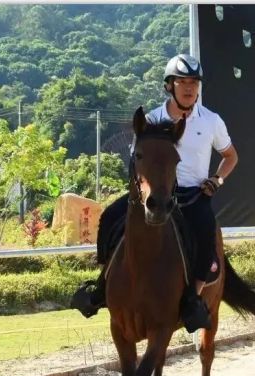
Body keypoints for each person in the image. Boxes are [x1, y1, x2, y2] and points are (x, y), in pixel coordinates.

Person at [70, 54, 239, 333]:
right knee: (110, 216)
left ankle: (193, 300)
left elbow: (231, 156)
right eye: (182, 82)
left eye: (194, 82)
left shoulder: (212, 121)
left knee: (206, 234)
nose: (189, 88)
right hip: (154, 193)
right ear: (169, 86)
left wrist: (216, 180)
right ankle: (101, 287)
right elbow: (136, 161)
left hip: (193, 195)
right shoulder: (151, 119)